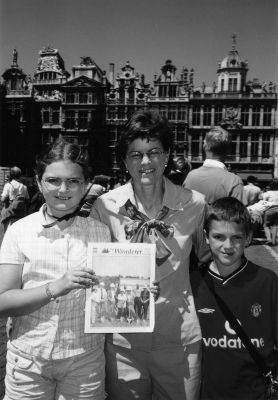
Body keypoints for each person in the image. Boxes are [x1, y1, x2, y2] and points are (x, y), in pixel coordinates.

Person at [92, 109, 209, 400]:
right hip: (123, 341)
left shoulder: (195, 204)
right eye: (135, 154)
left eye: (154, 151)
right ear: (124, 160)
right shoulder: (104, 207)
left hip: (178, 338)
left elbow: (208, 257)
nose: (145, 162)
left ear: (167, 154)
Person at [0, 139, 111, 400]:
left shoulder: (101, 232)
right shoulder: (20, 231)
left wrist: (136, 289)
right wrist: (57, 286)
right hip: (29, 360)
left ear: (86, 185)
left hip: (84, 359)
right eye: (53, 180)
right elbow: (3, 301)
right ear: (38, 182)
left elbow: (111, 290)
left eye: (73, 181)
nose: (63, 189)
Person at [191, 197, 278, 399]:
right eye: (219, 237)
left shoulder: (267, 282)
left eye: (236, 238)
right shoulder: (193, 282)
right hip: (207, 393)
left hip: (257, 393)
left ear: (248, 238)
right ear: (206, 237)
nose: (228, 246)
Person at [184, 126, 246, 205]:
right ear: (228, 150)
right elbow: (239, 216)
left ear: (204, 146)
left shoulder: (190, 177)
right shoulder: (234, 181)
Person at [0, 166, 29, 232]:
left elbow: (3, 200)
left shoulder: (8, 185)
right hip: (21, 214)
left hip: (10, 214)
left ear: (11, 175)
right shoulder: (24, 187)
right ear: (20, 175)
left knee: (8, 234)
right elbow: (27, 200)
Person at [262, 181, 278, 246]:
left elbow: (264, 202)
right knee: (275, 225)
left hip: (270, 209)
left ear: (270, 187)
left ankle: (269, 239)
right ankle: (274, 241)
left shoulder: (267, 193)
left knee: (266, 225)